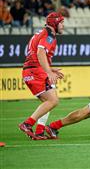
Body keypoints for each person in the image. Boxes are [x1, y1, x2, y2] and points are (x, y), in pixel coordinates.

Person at [19, 12, 64, 140]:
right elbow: (40, 52)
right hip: (36, 71)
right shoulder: (49, 35)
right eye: (61, 23)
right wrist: (48, 72)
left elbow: (34, 53)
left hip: (30, 71)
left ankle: (39, 131)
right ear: (54, 23)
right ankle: (27, 124)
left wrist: (49, 68)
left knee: (48, 102)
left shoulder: (40, 33)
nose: (63, 26)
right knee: (53, 100)